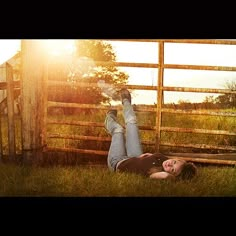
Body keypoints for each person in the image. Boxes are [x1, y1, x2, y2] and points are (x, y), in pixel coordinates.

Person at [104, 89, 197, 180]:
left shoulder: (156, 173)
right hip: (135, 156)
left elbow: (166, 176)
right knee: (132, 122)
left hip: (118, 162)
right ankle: (125, 100)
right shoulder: (164, 159)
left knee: (118, 130)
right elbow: (152, 156)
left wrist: (174, 177)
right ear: (175, 158)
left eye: (172, 169)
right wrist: (146, 156)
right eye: (174, 162)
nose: (169, 164)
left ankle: (109, 117)